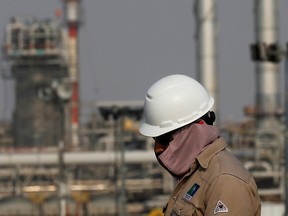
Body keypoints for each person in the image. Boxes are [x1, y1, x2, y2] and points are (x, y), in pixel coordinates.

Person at [139, 74, 261, 216]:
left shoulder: (225, 181)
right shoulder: (196, 176)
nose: (158, 148)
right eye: (155, 139)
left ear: (196, 129)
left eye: (164, 138)